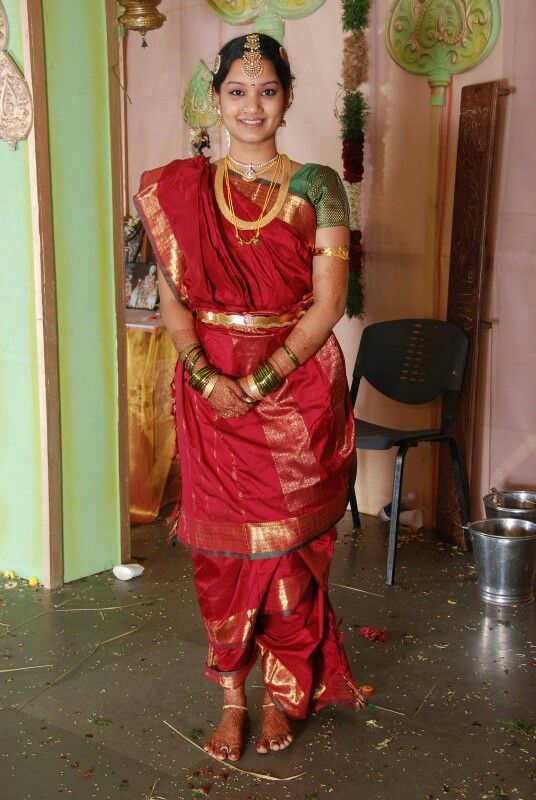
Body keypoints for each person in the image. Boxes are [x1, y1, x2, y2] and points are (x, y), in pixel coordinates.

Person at [134, 33, 364, 763]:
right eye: (237, 90)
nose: (252, 104)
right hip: (210, 394)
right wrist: (207, 377)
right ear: (217, 100)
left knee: (290, 560)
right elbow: (174, 306)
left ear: (288, 98)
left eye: (267, 90)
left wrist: (259, 382)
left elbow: (327, 305)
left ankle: (284, 694)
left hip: (294, 395)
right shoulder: (179, 191)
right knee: (219, 560)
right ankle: (232, 701)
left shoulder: (317, 184)